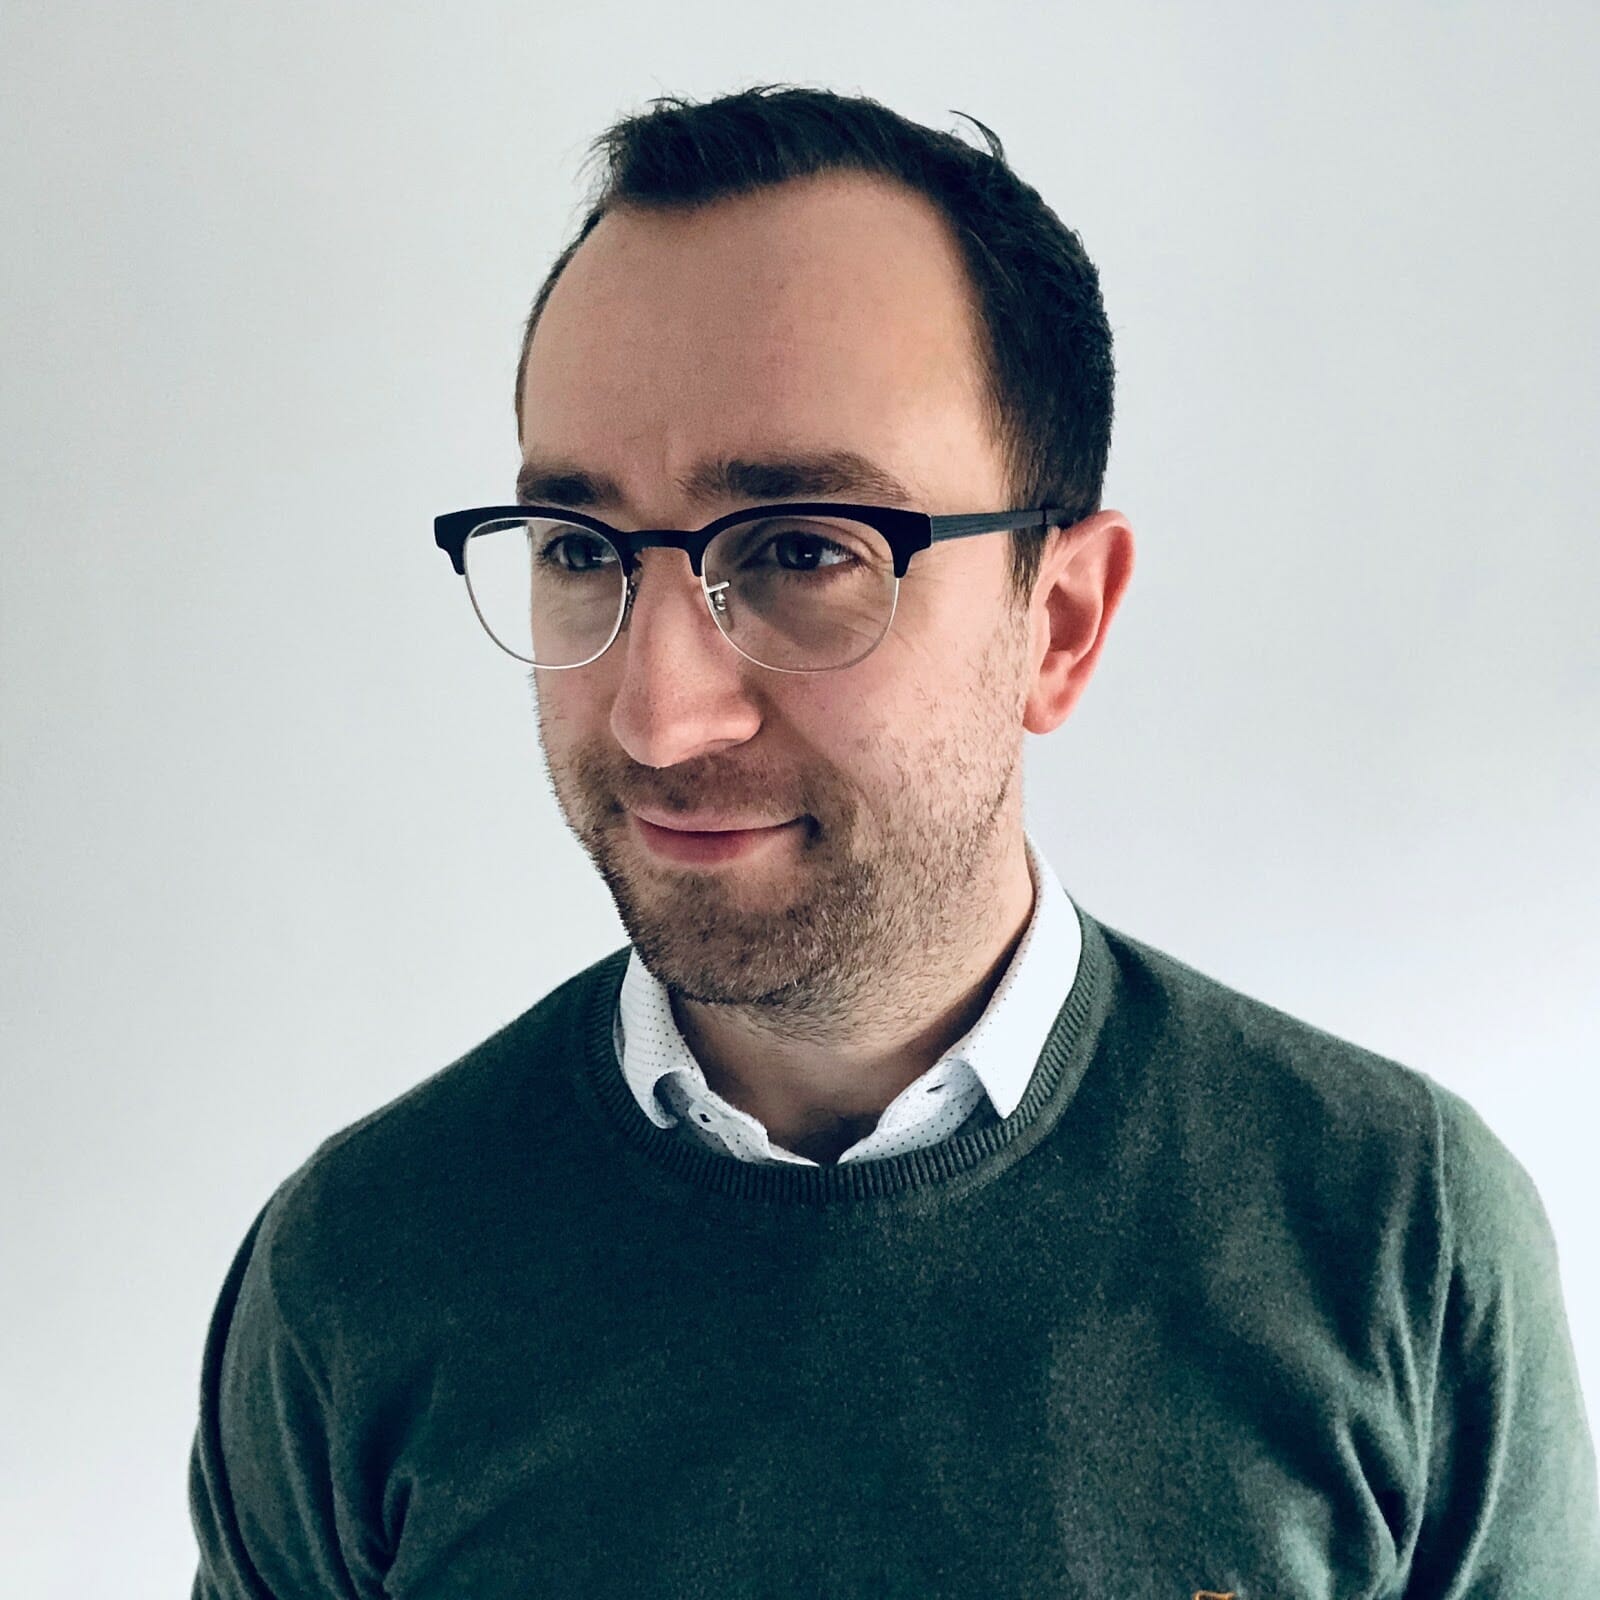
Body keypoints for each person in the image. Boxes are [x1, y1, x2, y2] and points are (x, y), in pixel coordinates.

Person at [188, 85, 1600, 1597]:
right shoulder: (357, 1270)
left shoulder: (1397, 1236)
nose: (660, 715)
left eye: (802, 550)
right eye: (581, 550)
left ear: (1061, 623)